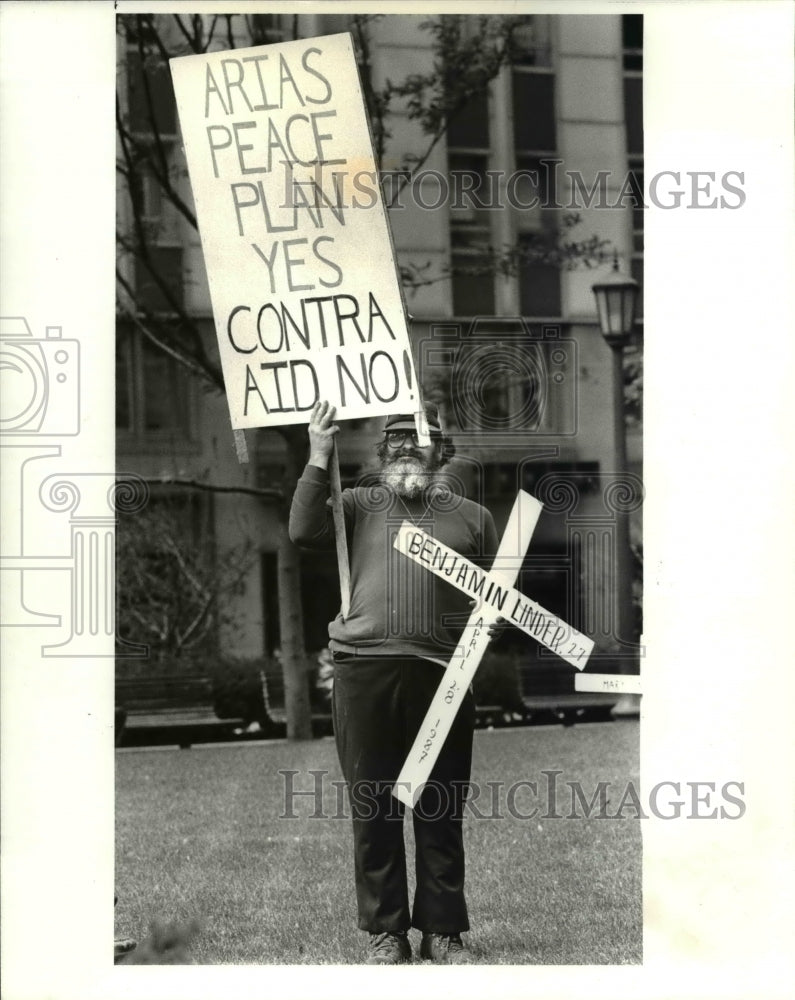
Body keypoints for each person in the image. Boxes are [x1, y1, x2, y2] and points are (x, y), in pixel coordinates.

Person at [289, 400, 499, 965]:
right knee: (373, 805)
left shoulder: (474, 517)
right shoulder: (357, 505)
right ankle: (388, 932)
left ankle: (442, 931)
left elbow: (491, 601)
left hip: (442, 674)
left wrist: (490, 623)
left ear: (440, 450)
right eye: (396, 438)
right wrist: (317, 453)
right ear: (381, 452)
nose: (407, 445)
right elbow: (302, 528)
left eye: (419, 437)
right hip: (363, 668)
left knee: (440, 805)